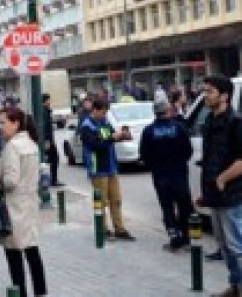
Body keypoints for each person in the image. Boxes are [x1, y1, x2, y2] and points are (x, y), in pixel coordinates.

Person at [0, 107, 48, 297]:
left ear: (16, 123)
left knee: (14, 254)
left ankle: (20, 292)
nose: (0, 127)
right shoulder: (32, 145)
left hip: (14, 208)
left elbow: (11, 181)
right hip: (30, 205)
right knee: (32, 250)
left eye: (3, 122)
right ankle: (41, 292)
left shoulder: (13, 147)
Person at [196, 75, 242, 297]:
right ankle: (235, 286)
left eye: (210, 91)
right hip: (214, 196)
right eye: (205, 91)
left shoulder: (236, 123)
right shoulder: (209, 122)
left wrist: (223, 179)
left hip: (232, 196)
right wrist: (205, 193)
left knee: (237, 246)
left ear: (224, 96)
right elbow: (209, 161)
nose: (206, 95)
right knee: (224, 246)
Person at [140, 101, 193, 252]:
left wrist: (155, 165)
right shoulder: (179, 128)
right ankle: (186, 237)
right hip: (179, 173)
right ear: (168, 111)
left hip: (160, 174)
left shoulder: (148, 131)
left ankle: (174, 238)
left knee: (167, 207)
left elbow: (144, 154)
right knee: (184, 206)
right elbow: (188, 150)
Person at [79, 99, 136, 240]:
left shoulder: (104, 122)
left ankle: (119, 228)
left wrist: (122, 135)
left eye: (106, 113)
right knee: (101, 201)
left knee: (116, 199)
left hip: (110, 166)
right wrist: (112, 138)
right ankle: (102, 229)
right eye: (103, 112)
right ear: (95, 110)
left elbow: (110, 137)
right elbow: (96, 144)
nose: (104, 115)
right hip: (97, 168)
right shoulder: (86, 126)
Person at [42, 94, 63, 187]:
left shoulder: (46, 111)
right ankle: (52, 180)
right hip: (48, 140)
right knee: (54, 159)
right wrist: (47, 140)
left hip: (48, 140)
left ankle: (50, 179)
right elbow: (45, 127)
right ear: (46, 101)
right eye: (49, 100)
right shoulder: (44, 112)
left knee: (50, 159)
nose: (50, 102)